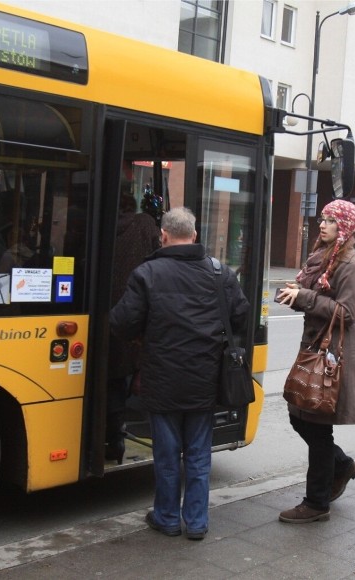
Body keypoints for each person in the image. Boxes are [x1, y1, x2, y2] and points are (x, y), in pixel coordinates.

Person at [109, 206, 249, 540]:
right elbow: (241, 316)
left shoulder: (148, 273)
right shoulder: (220, 273)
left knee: (167, 455)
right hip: (204, 382)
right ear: (195, 236)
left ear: (164, 236)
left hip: (162, 381)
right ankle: (197, 523)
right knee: (199, 454)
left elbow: (120, 323)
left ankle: (168, 518)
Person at [275, 199, 355, 523]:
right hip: (318, 346)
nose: (323, 224)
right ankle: (342, 466)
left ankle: (317, 503)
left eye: (331, 220)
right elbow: (318, 297)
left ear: (344, 227)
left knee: (317, 427)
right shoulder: (322, 258)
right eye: (323, 218)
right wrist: (296, 293)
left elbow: (348, 313)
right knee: (300, 417)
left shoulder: (351, 264)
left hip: (335, 353)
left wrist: (305, 297)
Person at [105, 192, 160, 463]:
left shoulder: (96, 222)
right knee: (120, 379)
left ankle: (109, 436)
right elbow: (158, 257)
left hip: (104, 313)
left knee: (108, 378)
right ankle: (116, 440)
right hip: (133, 310)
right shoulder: (145, 224)